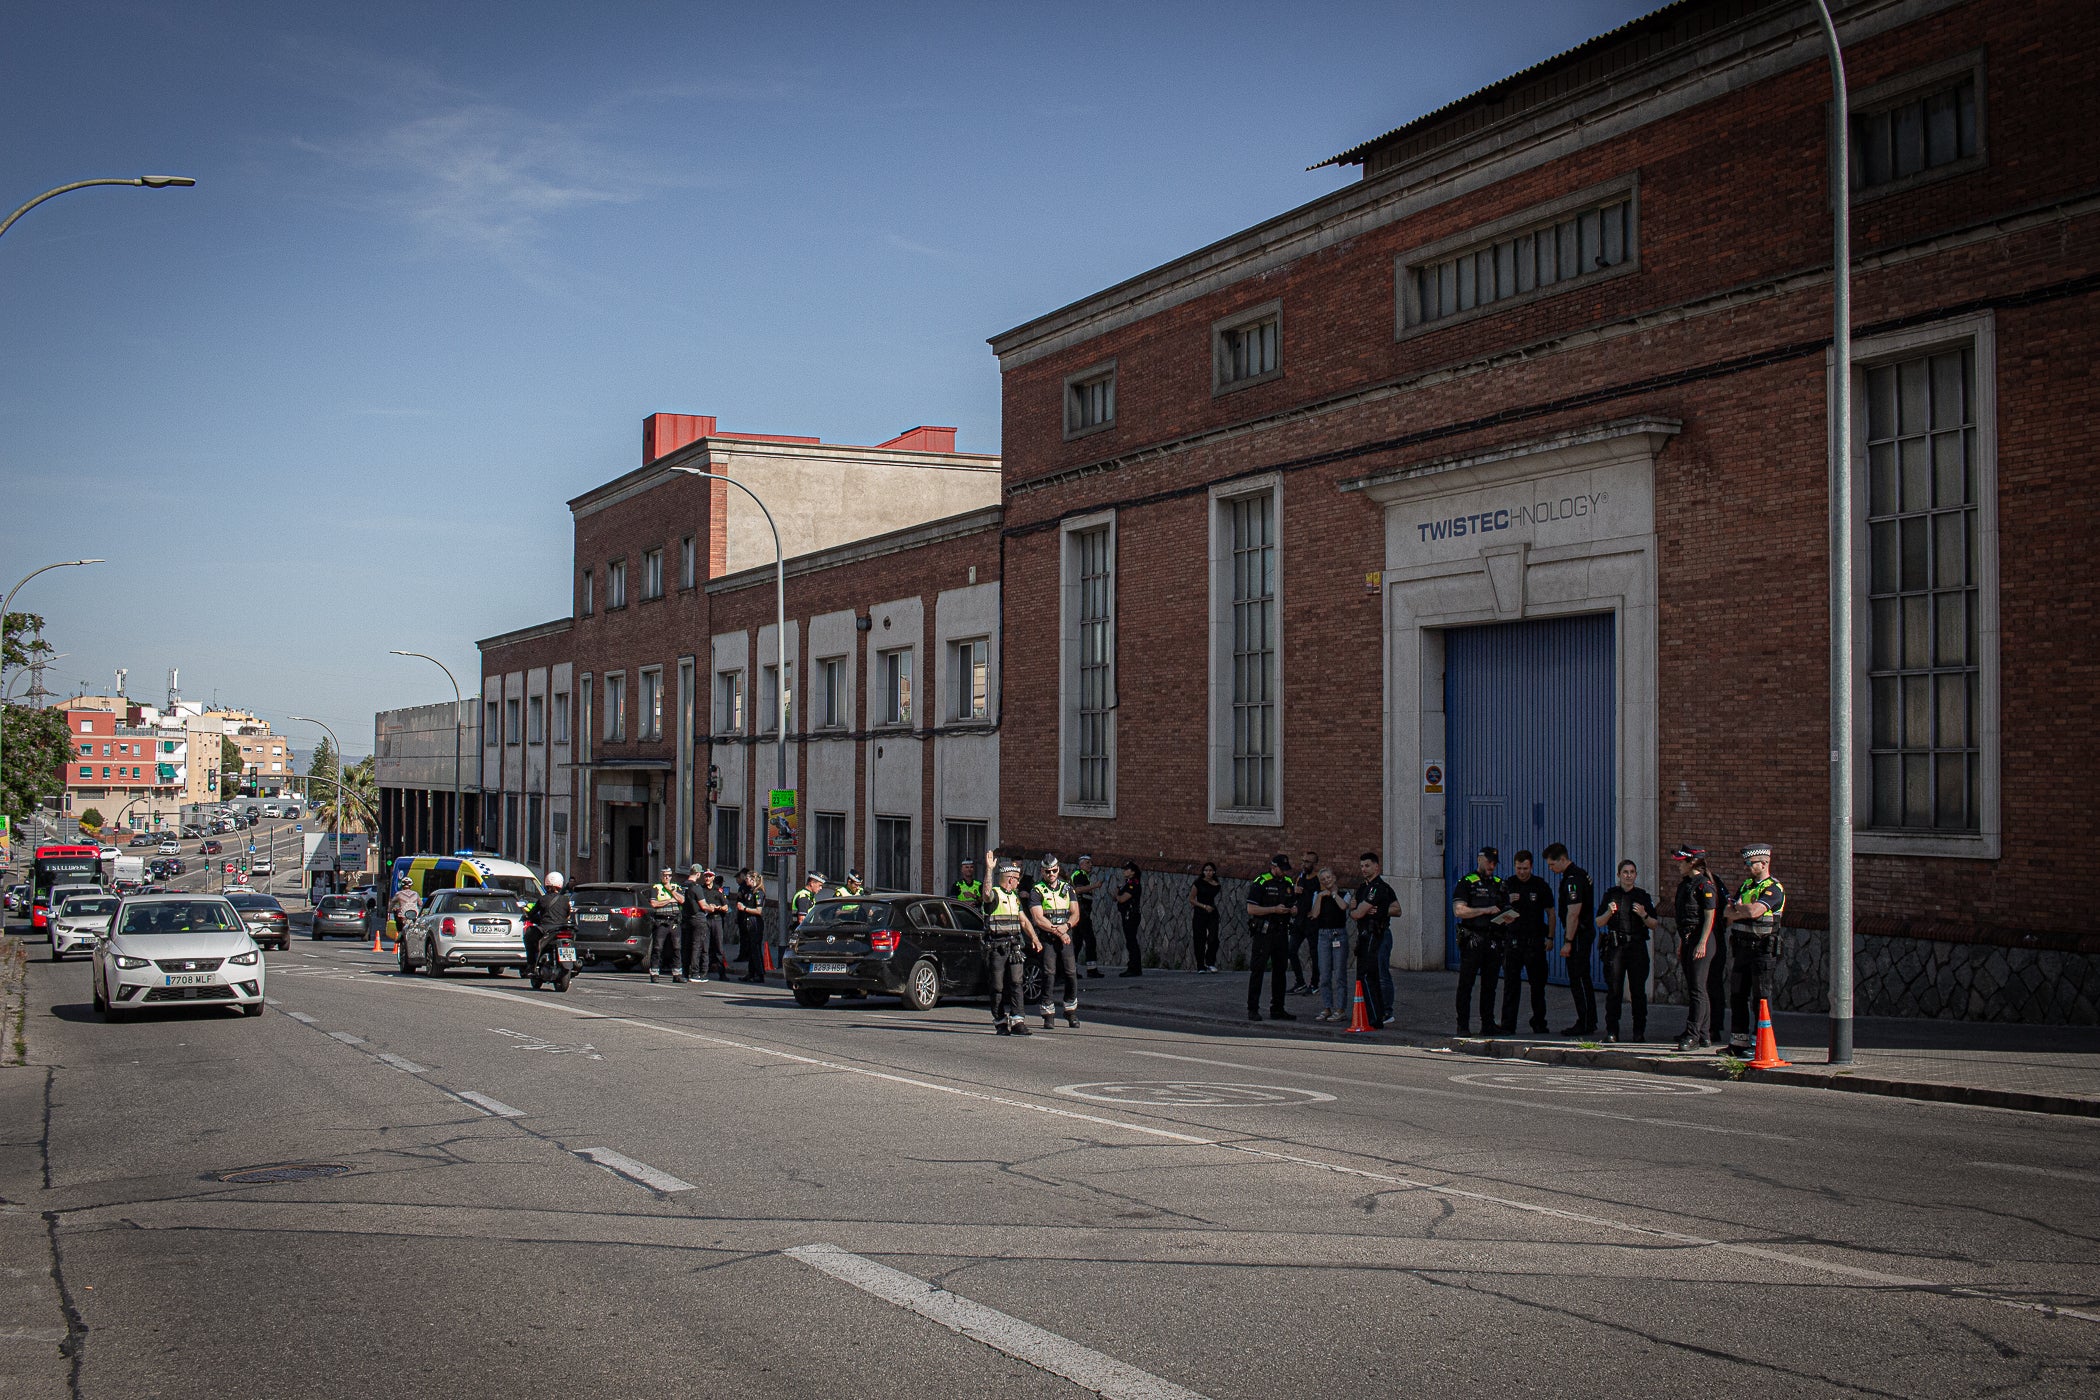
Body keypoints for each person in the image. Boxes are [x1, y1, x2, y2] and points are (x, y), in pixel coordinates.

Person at [1721, 844, 1786, 1056]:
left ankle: (1760, 1044)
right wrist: (1743, 911)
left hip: (1762, 951)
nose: (1747, 866)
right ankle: (1738, 1043)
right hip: (1741, 950)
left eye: (1750, 863)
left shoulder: (1773, 888)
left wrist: (1741, 909)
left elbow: (1756, 911)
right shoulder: (1747, 886)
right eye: (1746, 863)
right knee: (1738, 995)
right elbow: (1727, 913)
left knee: (1761, 997)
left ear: (1764, 863)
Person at [1597, 860, 1660, 1042]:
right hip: (1616, 947)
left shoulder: (1642, 896)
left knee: (1638, 992)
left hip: (1636, 947)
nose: (1628, 875)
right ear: (1619, 875)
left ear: (1636, 875)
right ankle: (1612, 1032)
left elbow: (1654, 924)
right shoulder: (1611, 895)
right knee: (1614, 991)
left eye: (1632, 872)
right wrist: (1609, 912)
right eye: (1625, 872)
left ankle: (1638, 1032)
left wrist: (1643, 914)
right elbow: (1599, 922)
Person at [980, 848, 1037, 1036]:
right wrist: (989, 870)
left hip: (1014, 945)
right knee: (997, 986)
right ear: (1010, 879)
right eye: (1017, 878)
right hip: (996, 946)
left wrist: (1034, 938)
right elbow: (986, 894)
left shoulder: (1014, 897)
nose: (1018, 882)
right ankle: (1000, 1022)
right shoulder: (995, 894)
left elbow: (1023, 920)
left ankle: (1018, 1021)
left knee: (1016, 983)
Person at [1498, 850, 1555, 1035]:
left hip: (1535, 942)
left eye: (1525, 868)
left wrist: (1551, 937)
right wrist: (1507, 901)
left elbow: (1551, 913)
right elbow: (1496, 913)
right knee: (1510, 986)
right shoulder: (1507, 885)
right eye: (1518, 868)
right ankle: (1508, 1025)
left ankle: (1539, 1023)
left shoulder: (1540, 885)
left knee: (1538, 987)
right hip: (1513, 942)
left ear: (1531, 866)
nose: (1521, 872)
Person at [1451, 846, 1506, 1036]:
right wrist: (1485, 910)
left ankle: (1488, 1024)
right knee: (1466, 984)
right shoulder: (1467, 882)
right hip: (1473, 939)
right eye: (1489, 861)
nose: (1492, 866)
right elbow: (1459, 911)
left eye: (1494, 863)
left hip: (1493, 940)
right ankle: (1463, 1025)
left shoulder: (1499, 884)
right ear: (1480, 859)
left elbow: (1504, 909)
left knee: (1490, 985)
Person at [1668, 845, 1719, 1051]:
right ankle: (1704, 1034)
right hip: (1688, 939)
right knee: (1695, 988)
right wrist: (1683, 941)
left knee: (1698, 989)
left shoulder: (1704, 886)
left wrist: (1702, 942)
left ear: (1692, 863)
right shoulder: (1686, 885)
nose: (1678, 865)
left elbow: (1710, 916)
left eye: (1682, 862)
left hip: (1702, 940)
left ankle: (1693, 1035)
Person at [1545, 842, 1598, 1037]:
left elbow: (1573, 913)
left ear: (1562, 859)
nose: (1550, 869)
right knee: (1582, 978)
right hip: (1581, 933)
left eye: (1552, 864)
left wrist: (1568, 941)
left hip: (1578, 935)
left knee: (1579, 978)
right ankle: (1589, 1020)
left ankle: (1585, 1021)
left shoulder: (1573, 879)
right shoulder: (1579, 874)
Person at [1028, 854, 1080, 1027]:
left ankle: (1070, 1010)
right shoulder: (1037, 890)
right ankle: (1048, 1012)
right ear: (1042, 871)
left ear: (1058, 869)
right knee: (1049, 973)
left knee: (1071, 972)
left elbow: (1075, 913)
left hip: (1065, 934)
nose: (1051, 874)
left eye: (1054, 870)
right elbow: (1038, 919)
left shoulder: (1067, 888)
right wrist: (1060, 932)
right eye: (1048, 871)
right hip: (1048, 937)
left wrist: (1067, 927)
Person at [1348, 852, 1398, 1028]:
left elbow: (1396, 909)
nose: (1363, 869)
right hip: (1365, 935)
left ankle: (1384, 1012)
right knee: (1368, 974)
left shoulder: (1380, 887)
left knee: (1378, 973)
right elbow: (1354, 907)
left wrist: (1379, 910)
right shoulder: (1362, 888)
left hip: (1379, 934)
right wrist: (1355, 910)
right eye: (1361, 866)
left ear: (1376, 867)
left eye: (1367, 866)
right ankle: (1372, 1012)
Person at [1246, 854, 1298, 1022]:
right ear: (1273, 867)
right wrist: (1273, 909)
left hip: (1281, 932)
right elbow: (1252, 909)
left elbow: (1293, 902)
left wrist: (1293, 909)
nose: (1283, 873)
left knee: (1280, 971)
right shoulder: (1262, 882)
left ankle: (1278, 1008)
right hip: (1264, 932)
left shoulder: (1288, 883)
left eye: (1285, 870)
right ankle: (1252, 1008)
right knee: (1258, 970)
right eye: (1281, 869)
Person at [1311, 867, 1352, 1021]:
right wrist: (1321, 897)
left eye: (1329, 877)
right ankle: (1327, 1007)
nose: (1327, 881)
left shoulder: (1344, 894)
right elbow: (1314, 914)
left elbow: (1343, 906)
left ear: (1334, 878)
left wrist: (1333, 894)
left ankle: (1340, 1009)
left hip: (1338, 935)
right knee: (1325, 974)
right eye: (1323, 879)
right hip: (1323, 935)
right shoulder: (1318, 895)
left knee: (1340, 974)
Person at [527, 871, 573, 971]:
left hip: (546, 930)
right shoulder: (565, 900)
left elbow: (532, 913)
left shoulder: (543, 899)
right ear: (560, 884)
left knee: (529, 935)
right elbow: (568, 915)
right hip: (562, 929)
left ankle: (531, 964)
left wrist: (527, 916)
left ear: (547, 884)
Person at [647, 865, 684, 984]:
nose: (666, 877)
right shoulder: (656, 887)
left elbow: (682, 900)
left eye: (668, 875)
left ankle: (677, 974)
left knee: (677, 948)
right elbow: (654, 904)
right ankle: (654, 973)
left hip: (674, 922)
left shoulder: (676, 887)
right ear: (661, 876)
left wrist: (671, 891)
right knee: (658, 948)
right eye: (664, 875)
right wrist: (669, 900)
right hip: (661, 922)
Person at [1289, 849, 1319, 995]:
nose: (1304, 864)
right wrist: (1294, 902)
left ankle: (1315, 983)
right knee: (1291, 950)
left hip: (1312, 922)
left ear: (1314, 864)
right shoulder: (1300, 878)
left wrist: (1315, 911)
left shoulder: (1318, 880)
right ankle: (1300, 981)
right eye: (1303, 861)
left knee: (1314, 953)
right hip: (1299, 920)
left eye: (1307, 862)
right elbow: (1295, 899)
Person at [1069, 854, 1103, 978]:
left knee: (1077, 941)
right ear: (1081, 864)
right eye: (1088, 863)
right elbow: (1077, 890)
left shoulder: (1082, 875)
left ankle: (1072, 969)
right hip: (1081, 912)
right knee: (1089, 939)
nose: (1091, 865)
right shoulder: (1079, 875)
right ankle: (1091, 969)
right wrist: (1095, 886)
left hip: (1080, 911)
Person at [695, 869, 731, 981]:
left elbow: (726, 907)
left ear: (713, 878)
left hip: (717, 919)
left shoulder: (718, 891)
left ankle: (722, 973)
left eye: (709, 876)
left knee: (719, 947)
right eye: (706, 876)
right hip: (706, 919)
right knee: (705, 947)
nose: (707, 878)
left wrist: (717, 908)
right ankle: (704, 972)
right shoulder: (701, 890)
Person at [735, 867, 768, 984]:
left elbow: (759, 910)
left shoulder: (758, 892)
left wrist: (744, 908)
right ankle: (751, 973)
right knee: (750, 948)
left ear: (753, 879)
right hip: (747, 921)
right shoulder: (748, 891)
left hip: (755, 923)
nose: (746, 880)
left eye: (748, 878)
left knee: (755, 948)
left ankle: (760, 973)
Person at [1189, 862, 1222, 972]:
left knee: (1213, 937)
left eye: (1210, 870)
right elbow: (1192, 899)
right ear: (1203, 872)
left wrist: (1210, 907)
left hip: (1212, 912)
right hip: (1200, 912)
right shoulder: (1198, 883)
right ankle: (1200, 965)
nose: (1208, 872)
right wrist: (1203, 906)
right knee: (1199, 939)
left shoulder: (1216, 884)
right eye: (1206, 870)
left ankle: (1210, 962)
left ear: (1214, 872)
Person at [1113, 860, 1144, 976]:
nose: (1124, 871)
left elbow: (1122, 899)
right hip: (1126, 914)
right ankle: (1133, 966)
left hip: (1131, 914)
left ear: (1132, 872)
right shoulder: (1127, 883)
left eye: (1127, 869)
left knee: (1131, 941)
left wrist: (1117, 894)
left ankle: (1134, 967)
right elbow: (1116, 897)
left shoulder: (1133, 884)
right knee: (1129, 941)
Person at [388, 878, 421, 947]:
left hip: (404, 915)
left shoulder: (399, 894)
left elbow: (392, 903)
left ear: (402, 885)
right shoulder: (415, 894)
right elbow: (420, 904)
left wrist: (390, 910)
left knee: (397, 914)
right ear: (411, 885)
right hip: (415, 914)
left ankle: (400, 933)